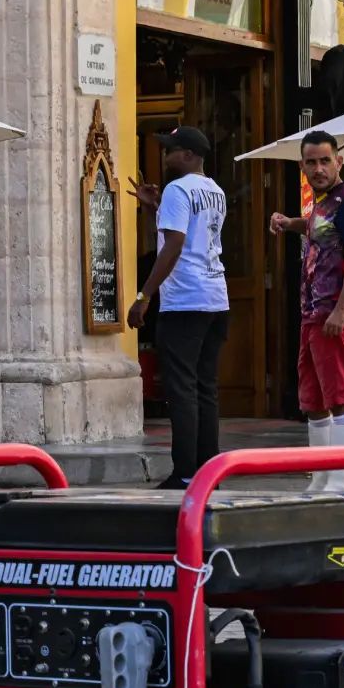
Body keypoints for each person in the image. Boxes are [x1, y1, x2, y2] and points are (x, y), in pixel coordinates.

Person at [269, 130, 344, 494]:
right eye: (311, 162)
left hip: (336, 316)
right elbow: (317, 229)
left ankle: (343, 478)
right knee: (312, 399)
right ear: (302, 166)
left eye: (325, 160)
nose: (318, 168)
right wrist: (289, 223)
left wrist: (341, 309)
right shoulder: (322, 204)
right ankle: (322, 475)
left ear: (338, 162)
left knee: (340, 396)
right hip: (313, 314)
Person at [127, 126, 229, 490]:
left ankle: (185, 473)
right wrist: (155, 207)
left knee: (181, 389)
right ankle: (209, 471)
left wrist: (144, 296)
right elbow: (196, 233)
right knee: (205, 388)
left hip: (185, 299)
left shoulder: (177, 188)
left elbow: (174, 245)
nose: (165, 155)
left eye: (171, 150)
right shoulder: (214, 190)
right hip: (216, 296)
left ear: (188, 155)